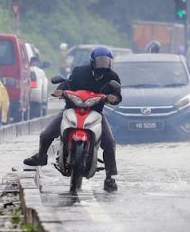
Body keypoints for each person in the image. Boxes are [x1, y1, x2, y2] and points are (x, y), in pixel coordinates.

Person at [23, 46, 122, 192]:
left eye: (106, 61)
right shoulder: (80, 71)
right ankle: (41, 157)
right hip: (71, 109)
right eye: (100, 61)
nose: (103, 65)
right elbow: (68, 83)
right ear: (93, 62)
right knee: (46, 134)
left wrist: (114, 98)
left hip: (96, 113)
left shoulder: (112, 77)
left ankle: (110, 177)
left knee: (110, 143)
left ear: (111, 62)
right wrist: (60, 90)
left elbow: (118, 95)